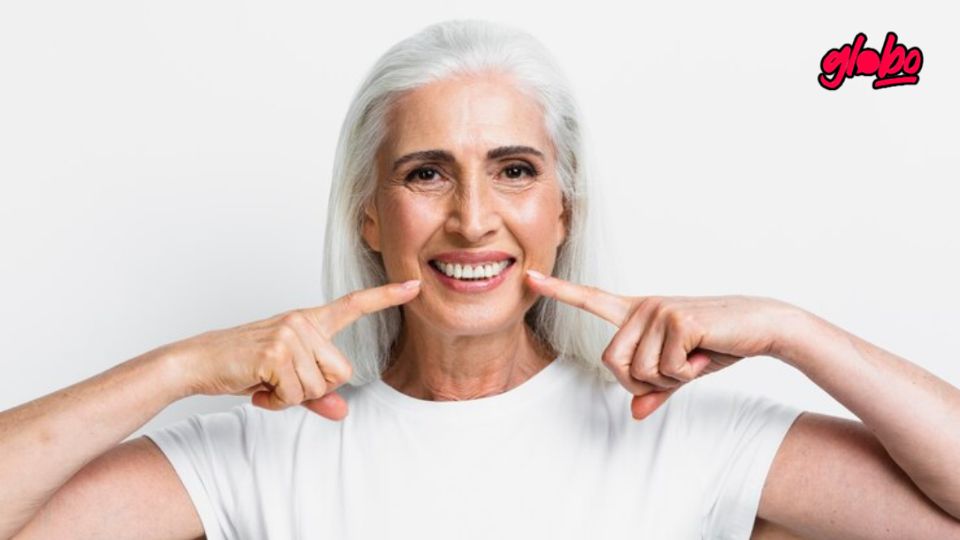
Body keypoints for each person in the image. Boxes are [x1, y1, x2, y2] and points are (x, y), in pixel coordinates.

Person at [2, 18, 959, 540]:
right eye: (427, 174)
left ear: (563, 209)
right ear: (370, 217)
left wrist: (792, 329)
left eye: (514, 170)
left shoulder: (684, 435)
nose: (472, 217)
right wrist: (180, 369)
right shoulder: (264, 456)